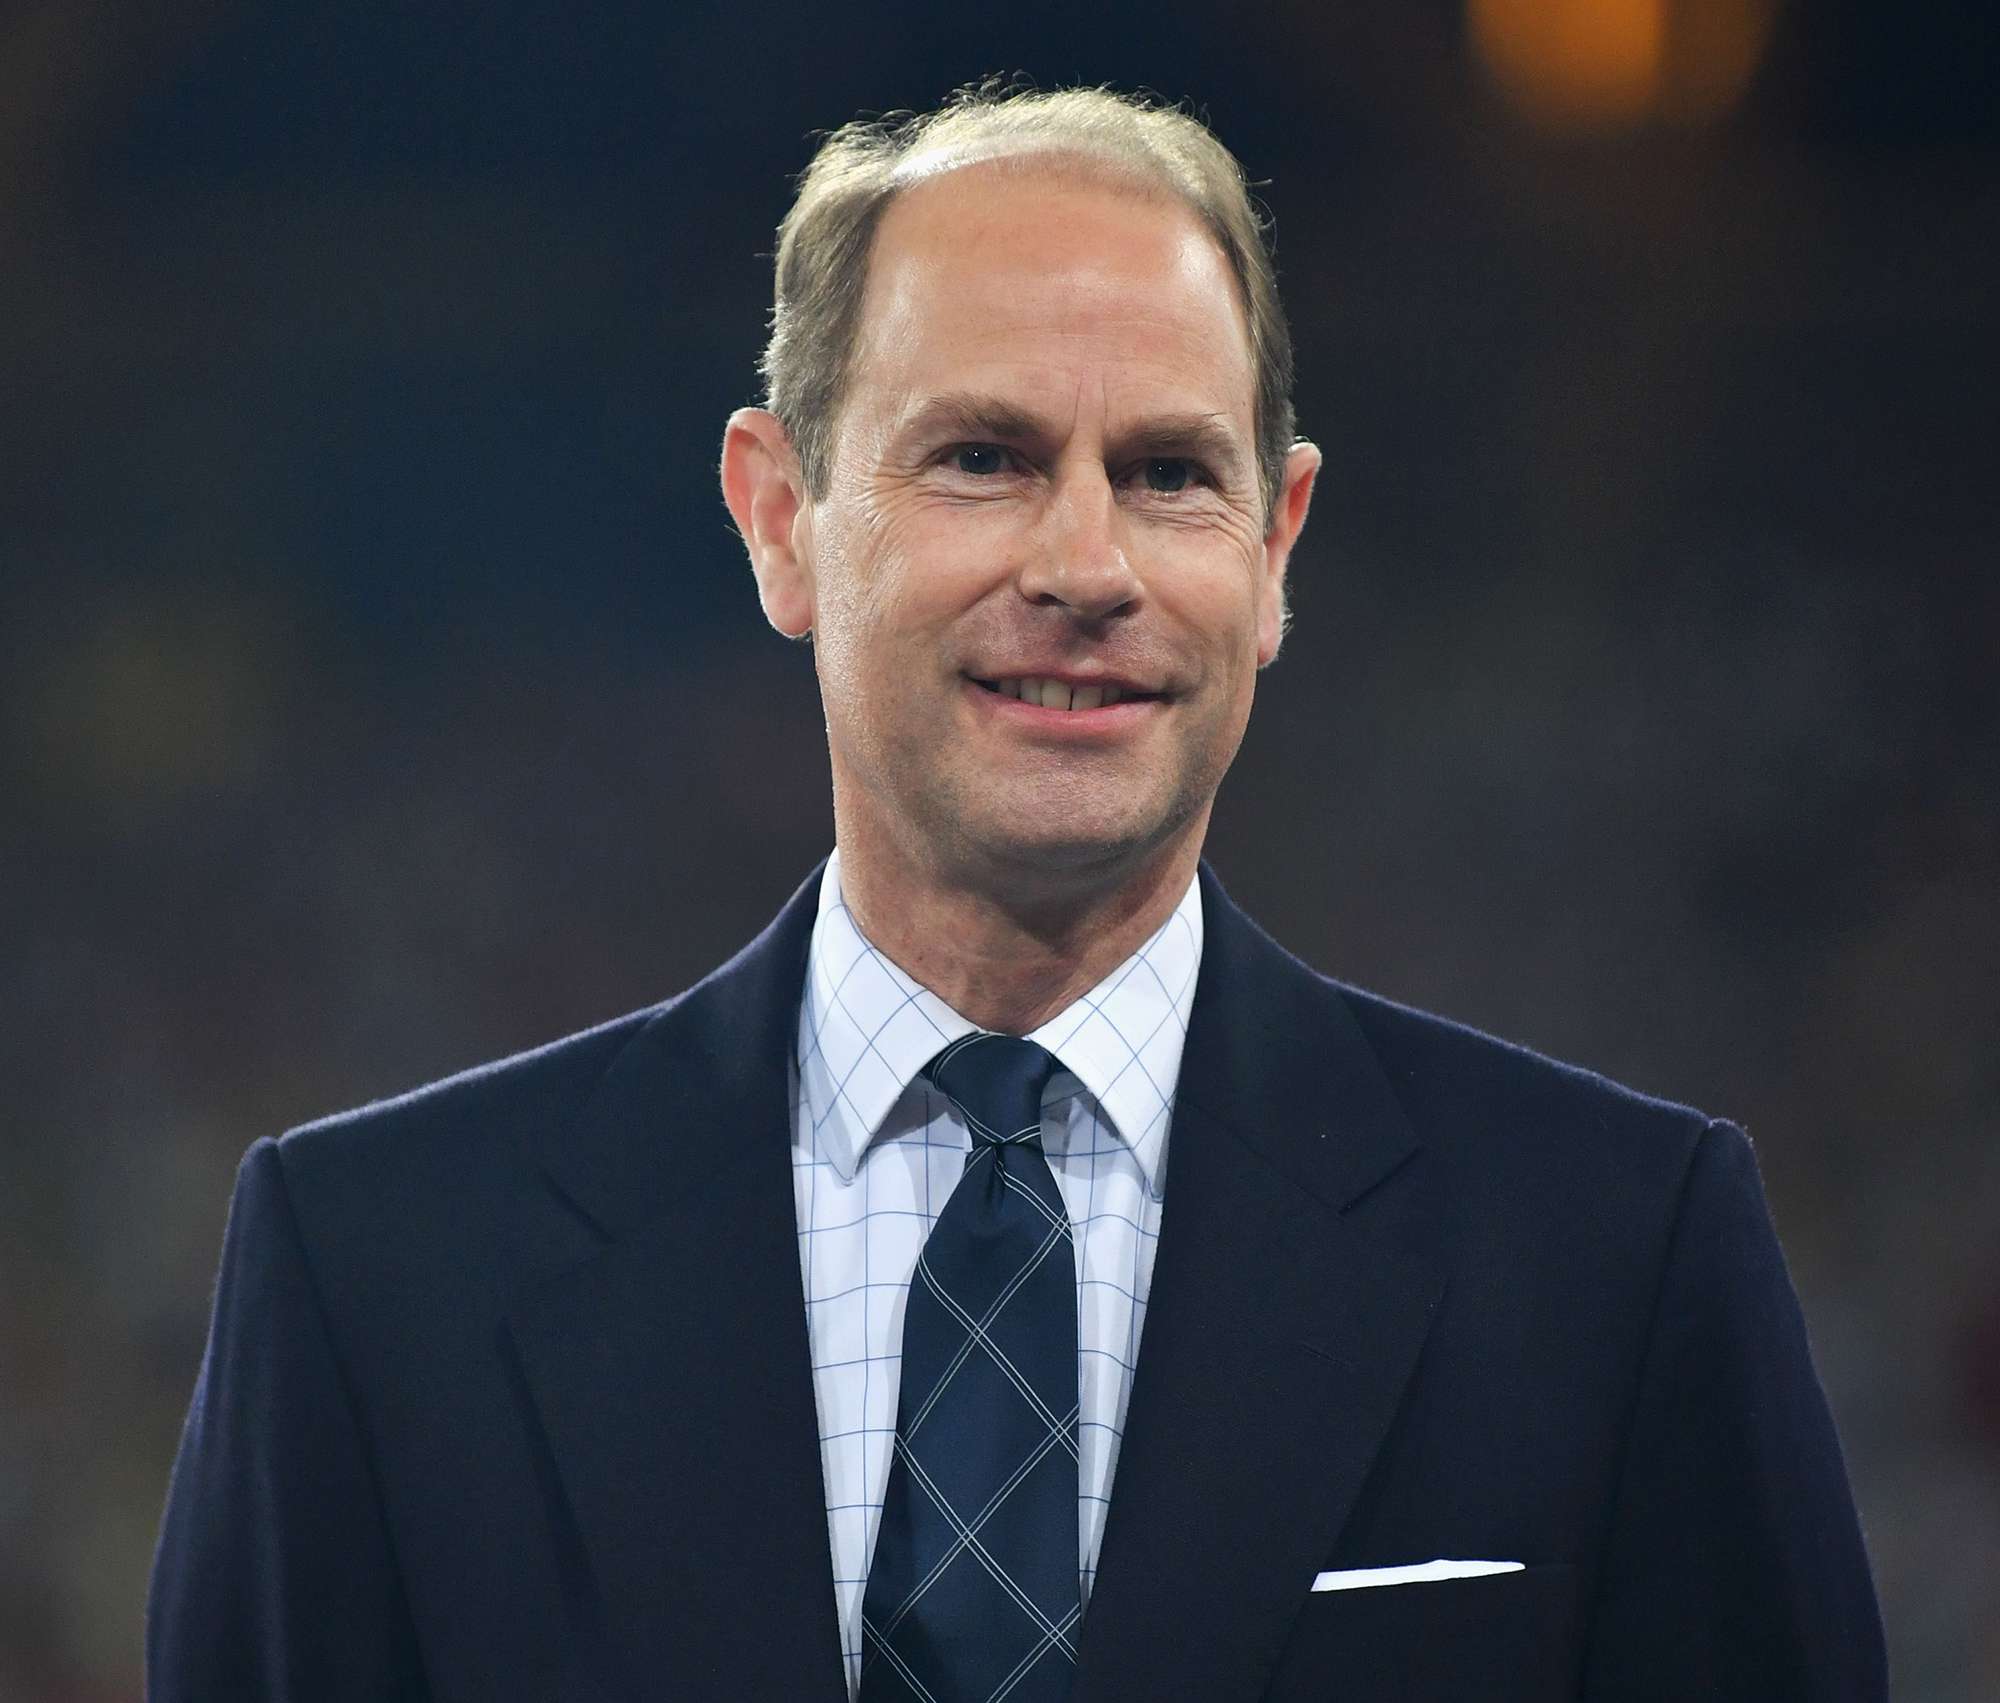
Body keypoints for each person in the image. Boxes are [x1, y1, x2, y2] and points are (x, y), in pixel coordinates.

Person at [147, 85, 1886, 1702]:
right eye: (982, 456)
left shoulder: (1617, 1258)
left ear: (1276, 550)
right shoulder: (377, 1279)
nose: (1085, 568)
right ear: (782, 517)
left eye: (1169, 474)